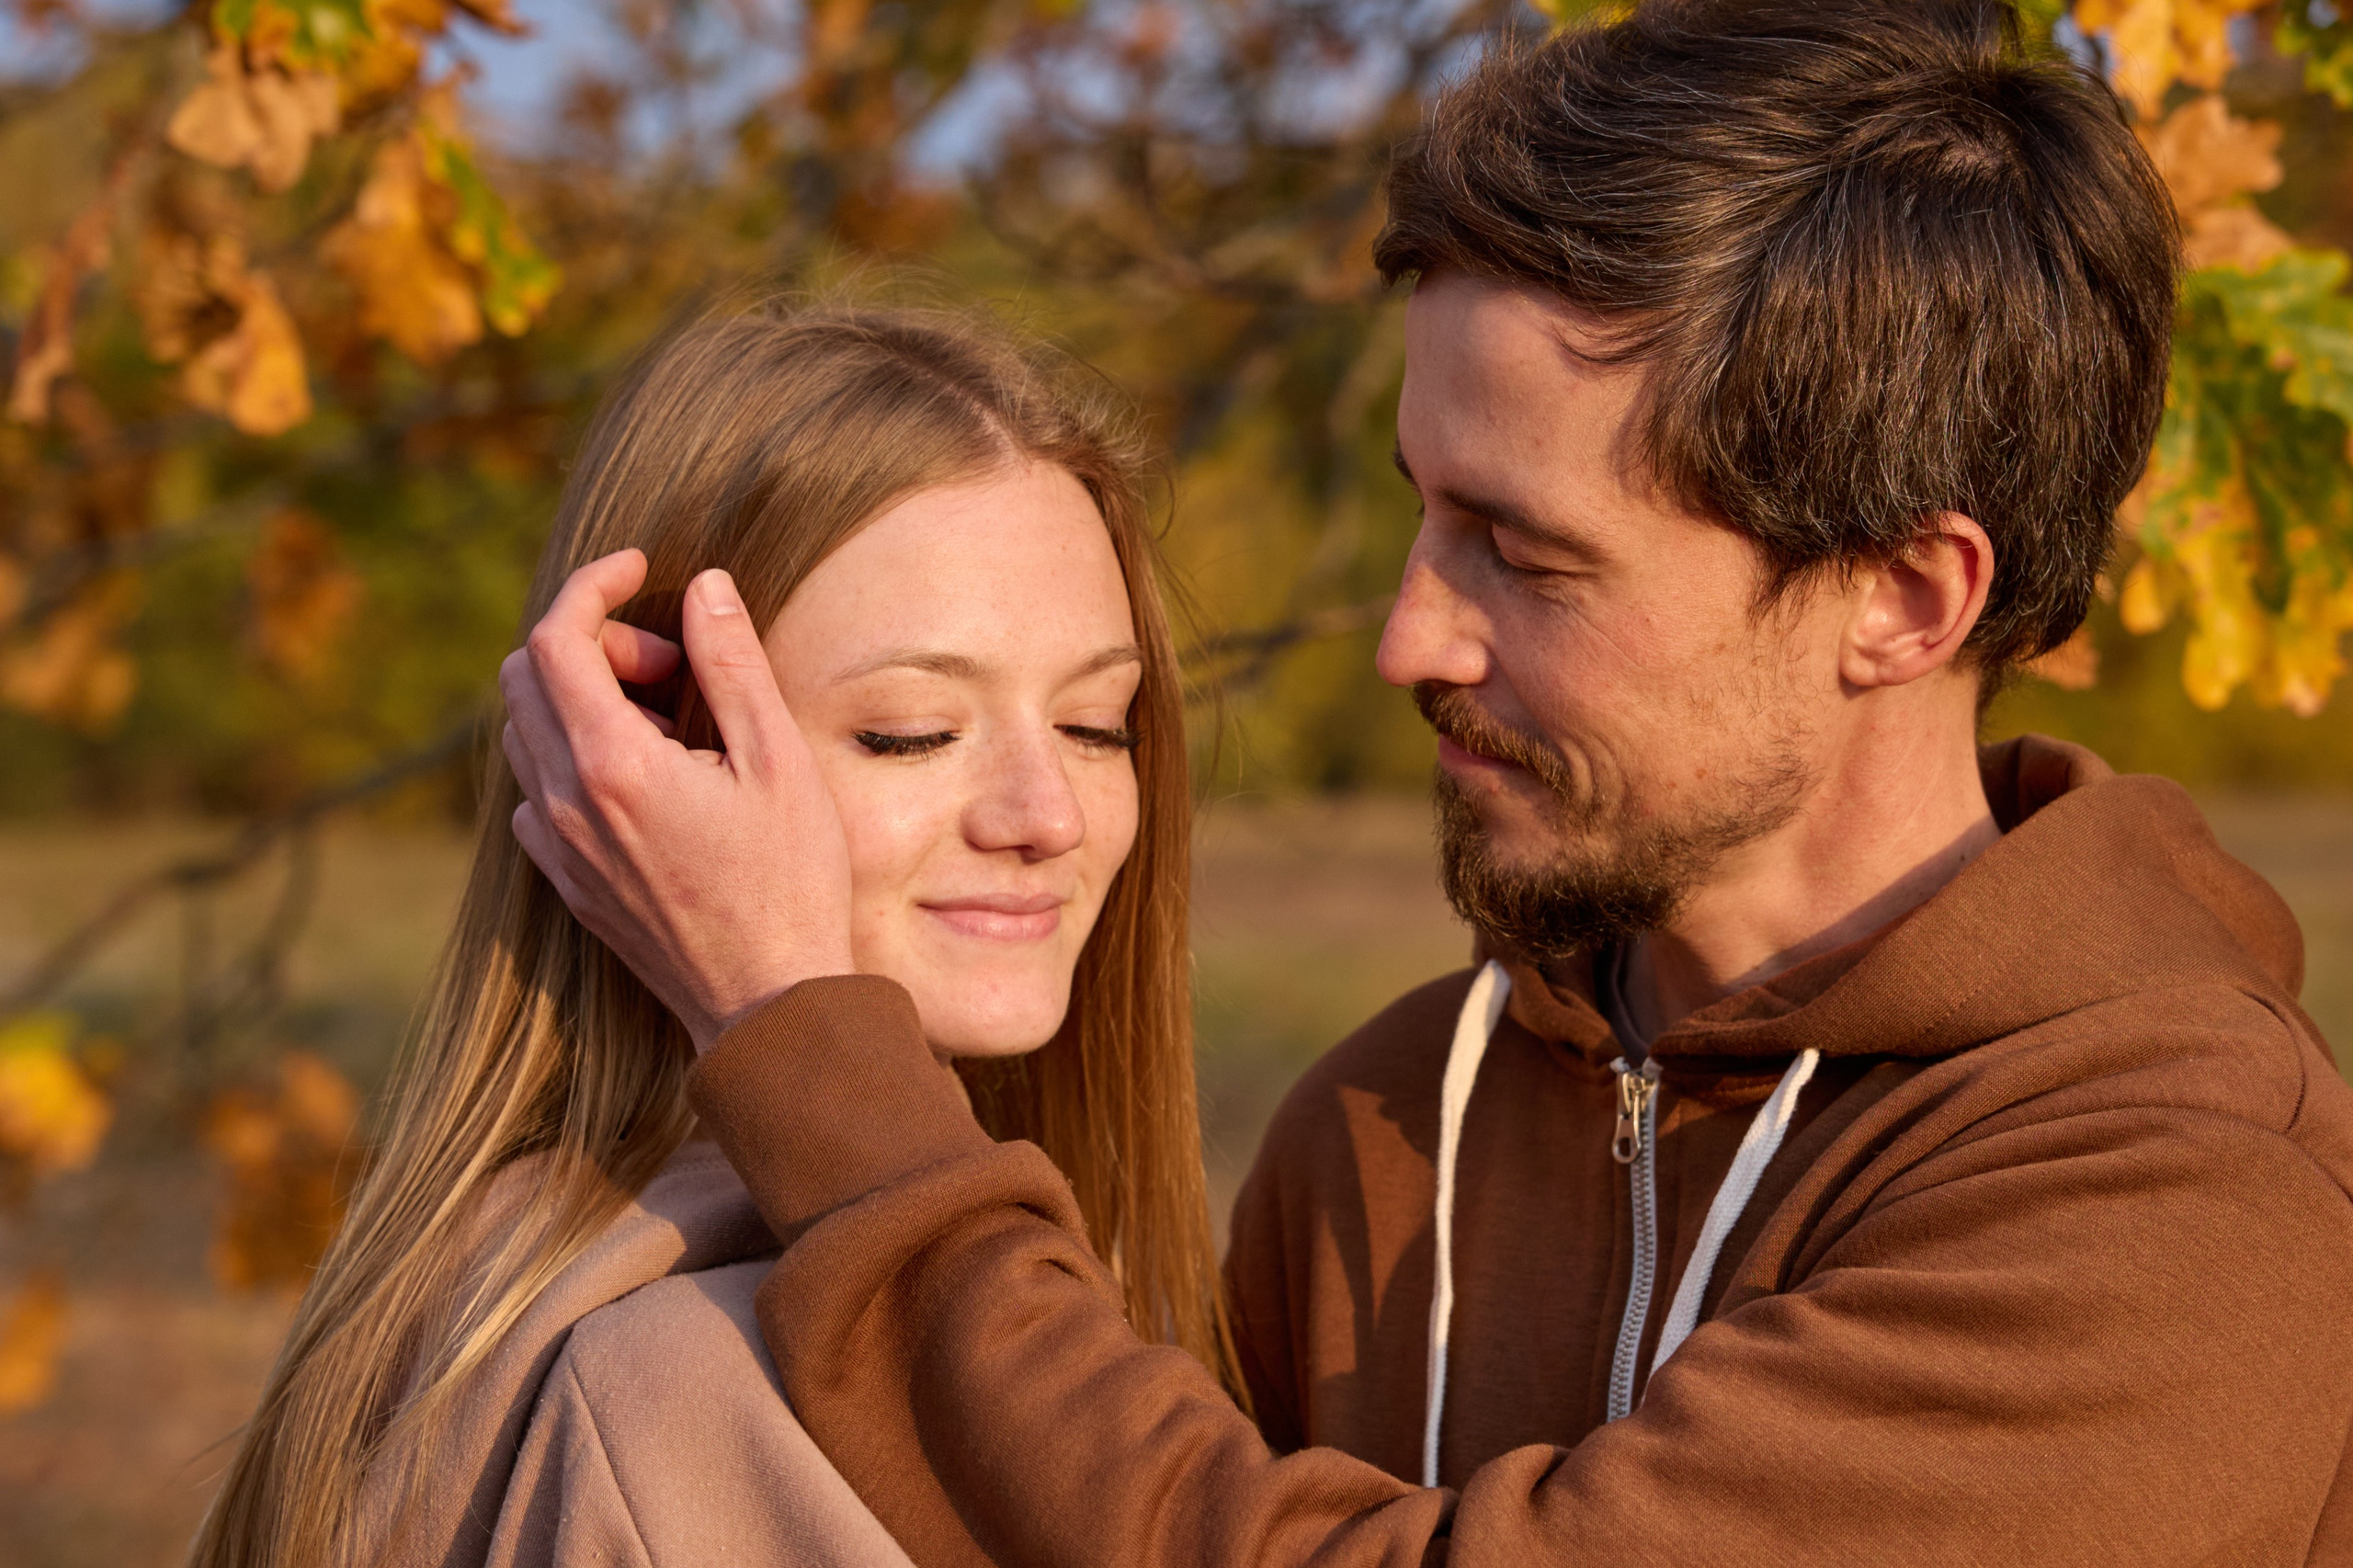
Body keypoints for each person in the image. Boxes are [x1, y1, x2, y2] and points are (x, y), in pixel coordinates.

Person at [502, 1, 2353, 1563]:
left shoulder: (2176, 1207)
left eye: (1521, 554)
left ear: (1899, 595)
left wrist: (813, 1057)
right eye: (1417, 507)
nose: (1407, 639)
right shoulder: (1386, 1124)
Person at [188, 301, 1236, 1568]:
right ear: (638, 751)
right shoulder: (707, 1388)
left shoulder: (500, 1281)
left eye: (1097, 722)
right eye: (910, 729)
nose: (1048, 813)